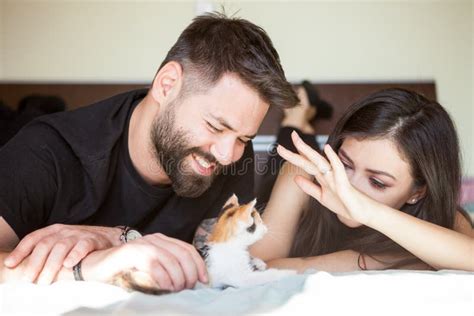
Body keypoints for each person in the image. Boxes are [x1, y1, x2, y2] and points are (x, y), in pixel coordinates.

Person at [0, 12, 298, 290]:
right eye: (215, 127)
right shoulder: (47, 151)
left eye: (244, 138)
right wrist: (92, 265)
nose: (226, 154)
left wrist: (121, 238)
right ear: (167, 86)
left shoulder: (231, 155)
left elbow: (216, 267)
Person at [249, 87, 473, 271]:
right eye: (345, 164)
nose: (347, 188)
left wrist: (365, 212)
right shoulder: (300, 175)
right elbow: (257, 268)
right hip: (298, 176)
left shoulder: (439, 214)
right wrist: (371, 260)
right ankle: (297, 116)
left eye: (377, 182)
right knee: (291, 150)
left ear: (418, 191)